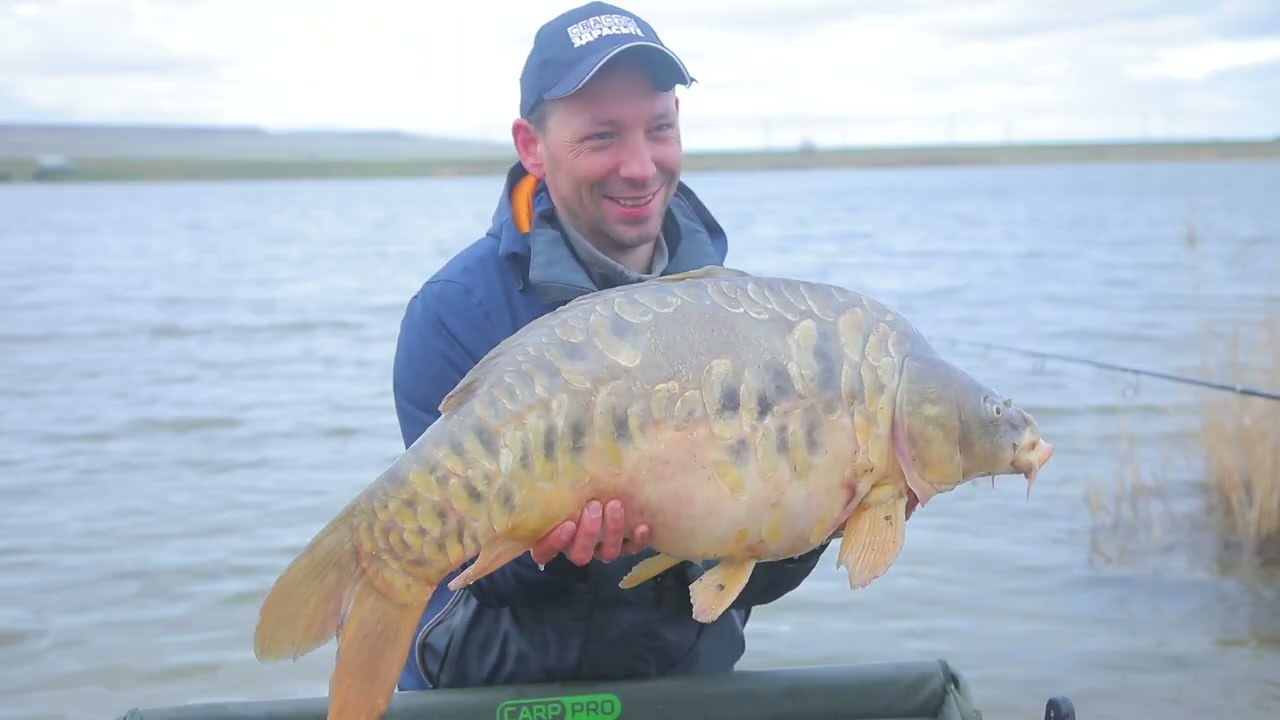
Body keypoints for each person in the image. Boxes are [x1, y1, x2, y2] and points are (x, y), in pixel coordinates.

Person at [390, 1, 833, 692]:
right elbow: (466, 569)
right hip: (500, 691)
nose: (639, 166)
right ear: (531, 146)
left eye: (659, 128)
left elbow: (745, 579)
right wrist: (561, 553)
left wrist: (825, 504)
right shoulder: (455, 314)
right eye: (602, 137)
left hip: (682, 684)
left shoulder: (742, 311)